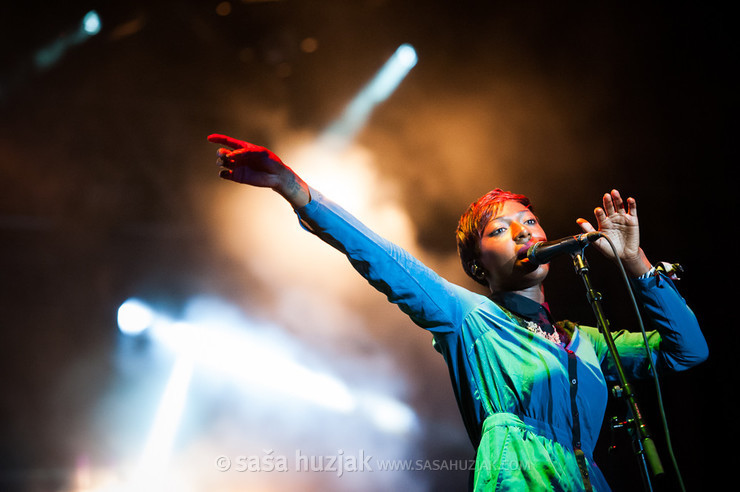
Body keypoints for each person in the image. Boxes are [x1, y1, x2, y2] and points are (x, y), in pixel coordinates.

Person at [207, 133, 708, 491]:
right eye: (499, 230)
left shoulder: (587, 343)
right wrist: (294, 188)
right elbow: (381, 255)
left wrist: (634, 262)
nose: (523, 233)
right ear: (476, 263)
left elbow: (689, 352)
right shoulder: (468, 318)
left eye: (529, 221)